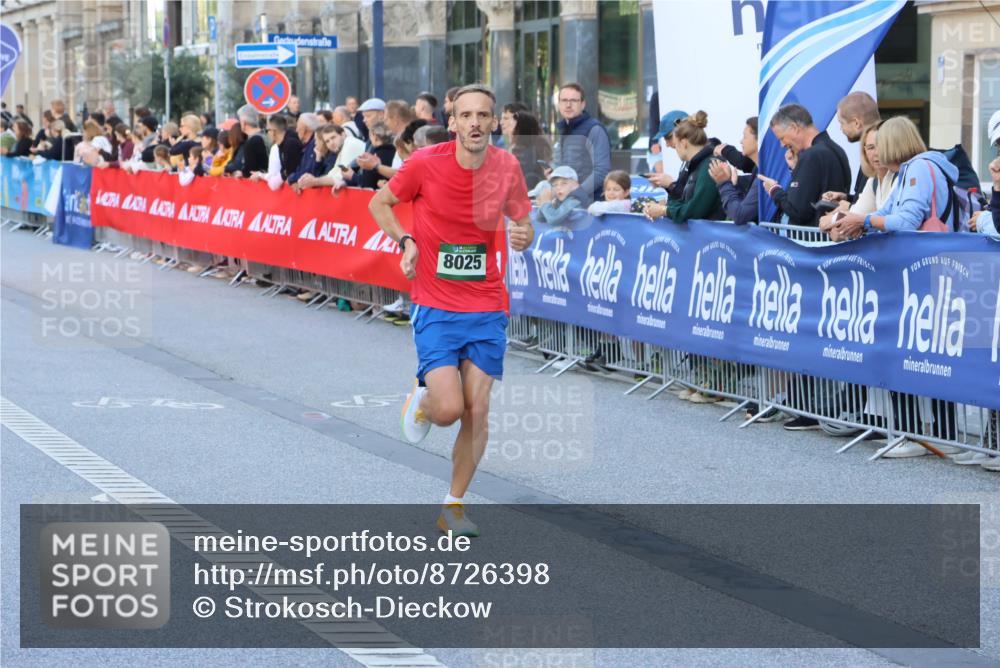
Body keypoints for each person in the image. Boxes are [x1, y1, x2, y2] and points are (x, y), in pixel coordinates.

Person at [368, 83, 534, 538]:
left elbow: (523, 222)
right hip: (435, 301)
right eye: (467, 115)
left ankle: (453, 506)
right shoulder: (425, 163)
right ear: (454, 121)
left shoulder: (507, 167)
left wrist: (523, 235)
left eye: (484, 115)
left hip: (486, 302)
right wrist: (405, 241)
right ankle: (423, 400)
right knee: (448, 411)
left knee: (477, 410)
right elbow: (378, 202)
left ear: (494, 122)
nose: (476, 123)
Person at [823, 116, 957, 239]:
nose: (877, 152)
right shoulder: (908, 170)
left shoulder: (918, 168)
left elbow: (908, 221)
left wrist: (864, 221)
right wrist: (861, 224)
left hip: (931, 257)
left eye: (881, 144)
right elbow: (885, 212)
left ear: (893, 144)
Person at [759, 104, 851, 226]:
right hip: (833, 234)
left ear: (794, 128)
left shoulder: (811, 156)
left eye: (782, 138)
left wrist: (774, 190)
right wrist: (797, 169)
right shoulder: (837, 149)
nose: (782, 145)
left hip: (814, 240)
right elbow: (814, 191)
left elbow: (797, 212)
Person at [642, 111, 724, 223]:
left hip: (711, 238)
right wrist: (663, 206)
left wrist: (664, 209)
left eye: (669, 137)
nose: (668, 145)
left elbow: (695, 211)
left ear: (683, 141)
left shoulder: (710, 164)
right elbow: (685, 201)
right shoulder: (693, 163)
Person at [553, 83, 612, 204]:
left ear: (583, 104)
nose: (568, 105)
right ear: (559, 104)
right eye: (564, 100)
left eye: (573, 100)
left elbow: (602, 171)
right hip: (567, 202)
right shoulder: (563, 129)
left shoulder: (595, 129)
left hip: (590, 205)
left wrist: (578, 194)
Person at [708, 117, 760, 224]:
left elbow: (739, 216)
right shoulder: (757, 170)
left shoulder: (763, 175)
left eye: (745, 137)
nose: (741, 141)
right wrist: (734, 186)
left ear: (758, 140)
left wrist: (723, 183)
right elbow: (744, 210)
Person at [294, 123, 367, 192]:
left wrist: (315, 181)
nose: (331, 143)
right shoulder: (342, 149)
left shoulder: (350, 144)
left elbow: (341, 175)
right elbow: (334, 173)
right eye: (327, 141)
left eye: (333, 137)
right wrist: (311, 179)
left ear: (343, 134)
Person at [836, 91, 881, 200]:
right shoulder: (881, 147)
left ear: (856, 123)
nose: (841, 129)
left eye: (842, 123)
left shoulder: (877, 155)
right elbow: (869, 199)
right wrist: (847, 198)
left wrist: (850, 207)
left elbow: (878, 206)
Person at [646, 109, 689, 198]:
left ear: (684, 132)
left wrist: (671, 184)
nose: (667, 144)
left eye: (669, 137)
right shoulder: (687, 163)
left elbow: (693, 205)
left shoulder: (705, 162)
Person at [340, 122, 395, 190]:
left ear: (375, 137)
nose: (370, 139)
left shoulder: (376, 155)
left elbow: (368, 184)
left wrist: (352, 176)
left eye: (370, 136)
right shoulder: (394, 152)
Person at [508, 110, 551, 190]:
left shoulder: (527, 152)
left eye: (511, 125)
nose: (509, 130)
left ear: (520, 128)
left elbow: (528, 181)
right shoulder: (537, 146)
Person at [227, 105, 268, 177]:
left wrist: (242, 173)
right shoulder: (267, 136)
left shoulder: (253, 142)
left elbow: (250, 170)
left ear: (243, 122)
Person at [261, 114, 302, 181]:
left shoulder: (290, 144)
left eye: (267, 130)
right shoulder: (282, 144)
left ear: (273, 131)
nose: (267, 133)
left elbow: (292, 170)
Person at [286, 113, 321, 184]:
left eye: (298, 127)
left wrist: (291, 178)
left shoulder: (315, 144)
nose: (296, 130)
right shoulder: (307, 145)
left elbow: (308, 171)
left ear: (306, 128)